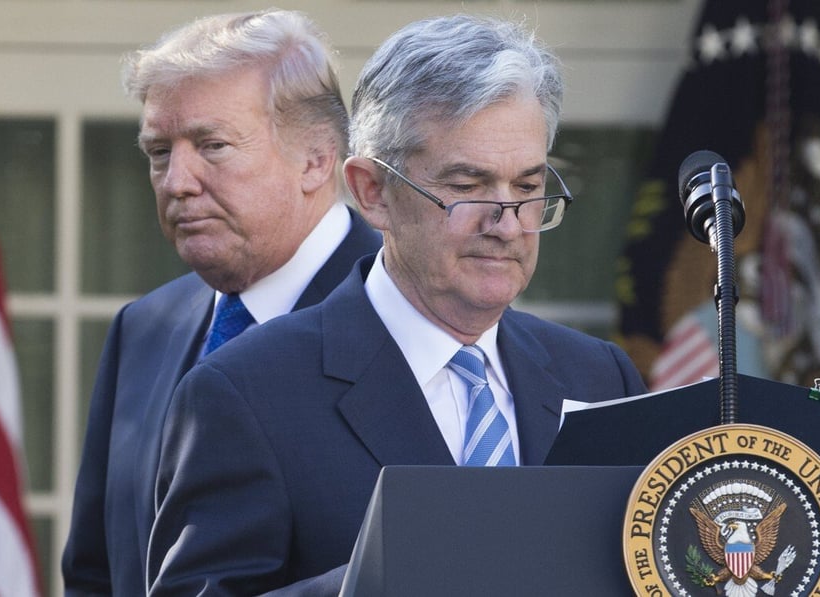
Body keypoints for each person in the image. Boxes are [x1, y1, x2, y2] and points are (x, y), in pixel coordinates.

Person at [147, 13, 648, 596]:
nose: (507, 223)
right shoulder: (244, 393)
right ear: (371, 192)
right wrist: (381, 577)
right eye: (467, 185)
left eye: (528, 187)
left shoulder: (598, 376)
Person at [61, 10, 381, 596]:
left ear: (316, 159)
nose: (177, 180)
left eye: (212, 145)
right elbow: (95, 571)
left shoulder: (410, 317)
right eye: (159, 151)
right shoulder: (144, 328)